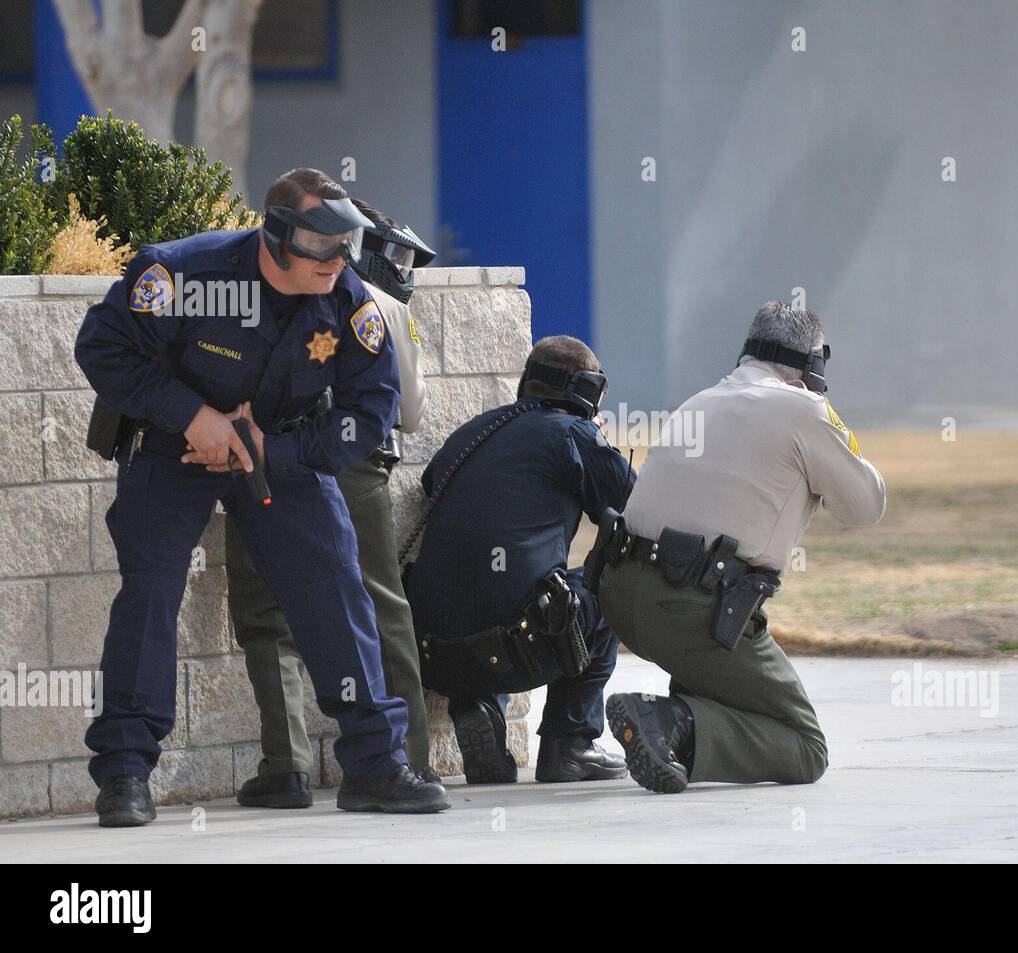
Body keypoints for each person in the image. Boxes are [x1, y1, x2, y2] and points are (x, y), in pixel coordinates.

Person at [75, 167, 448, 826]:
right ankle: (126, 771)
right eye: (321, 243)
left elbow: (371, 407)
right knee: (153, 588)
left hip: (280, 450)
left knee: (336, 584)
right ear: (276, 236)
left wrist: (271, 451)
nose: (338, 259)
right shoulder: (182, 274)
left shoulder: (349, 301)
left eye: (346, 244)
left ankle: (374, 763)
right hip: (174, 444)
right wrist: (194, 417)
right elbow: (103, 346)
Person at [594, 302, 885, 793]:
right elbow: (866, 505)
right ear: (812, 366)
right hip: (695, 612)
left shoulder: (699, 400)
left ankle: (675, 725)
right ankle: (669, 721)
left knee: (718, 663)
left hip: (619, 597)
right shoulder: (805, 409)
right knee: (805, 746)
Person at [226, 196, 439, 809]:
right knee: (378, 603)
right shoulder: (385, 307)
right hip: (352, 465)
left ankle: (286, 765)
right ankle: (406, 760)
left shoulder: (264, 289)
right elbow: (410, 412)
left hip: (265, 461)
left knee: (266, 612)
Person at [404, 336, 634, 783]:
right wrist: (596, 440)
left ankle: (479, 704)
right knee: (614, 581)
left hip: (434, 650)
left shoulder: (471, 433)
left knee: (494, 582)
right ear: (588, 391)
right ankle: (570, 744)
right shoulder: (571, 432)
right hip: (521, 645)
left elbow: (435, 484)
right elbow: (632, 505)